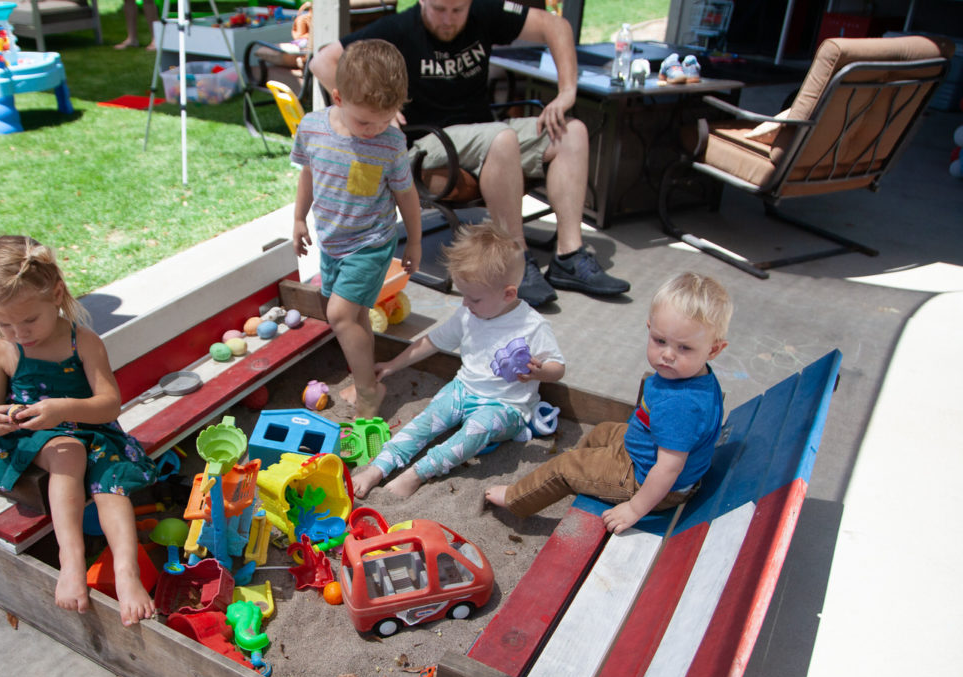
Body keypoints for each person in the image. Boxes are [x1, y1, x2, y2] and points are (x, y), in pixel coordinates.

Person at [309, 0, 631, 307]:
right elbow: (322, 61)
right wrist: (377, 107)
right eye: (439, 9)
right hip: (430, 145)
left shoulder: (485, 12)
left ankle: (570, 256)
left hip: (484, 133)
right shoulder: (398, 28)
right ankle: (513, 259)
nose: (448, 19)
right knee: (502, 138)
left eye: (457, 9)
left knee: (572, 132)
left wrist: (566, 92)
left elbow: (556, 25)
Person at [0, 235, 159, 626]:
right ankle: (71, 560)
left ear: (57, 294)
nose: (20, 332)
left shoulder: (81, 342)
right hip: (36, 440)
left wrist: (61, 409)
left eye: (29, 320)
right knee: (69, 451)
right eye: (5, 324)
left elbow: (109, 405)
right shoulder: (1, 352)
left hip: (94, 432)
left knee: (110, 484)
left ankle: (127, 572)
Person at [486, 272, 732, 533]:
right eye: (660, 341)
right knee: (603, 430)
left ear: (714, 350)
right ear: (650, 329)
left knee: (563, 467)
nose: (668, 355)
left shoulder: (682, 406)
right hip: (642, 451)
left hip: (646, 482)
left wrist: (634, 508)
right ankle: (587, 468)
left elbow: (669, 469)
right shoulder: (691, 376)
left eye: (684, 348)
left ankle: (516, 498)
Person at [352, 220, 565, 500]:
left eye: (473, 298)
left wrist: (540, 372)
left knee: (477, 430)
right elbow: (431, 342)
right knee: (425, 420)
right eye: (463, 295)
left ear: (508, 294)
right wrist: (392, 365)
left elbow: (558, 368)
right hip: (463, 390)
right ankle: (379, 467)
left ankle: (418, 473)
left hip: (507, 406)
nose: (465, 304)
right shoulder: (469, 314)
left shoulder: (532, 326)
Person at [292, 38, 422, 419]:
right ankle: (366, 375)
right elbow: (308, 176)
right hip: (333, 242)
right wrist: (299, 217)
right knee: (357, 316)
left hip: (371, 243)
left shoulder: (391, 143)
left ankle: (368, 392)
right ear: (338, 98)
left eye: (386, 119)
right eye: (365, 120)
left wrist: (414, 240)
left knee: (340, 315)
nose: (374, 129)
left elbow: (407, 196)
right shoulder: (313, 129)